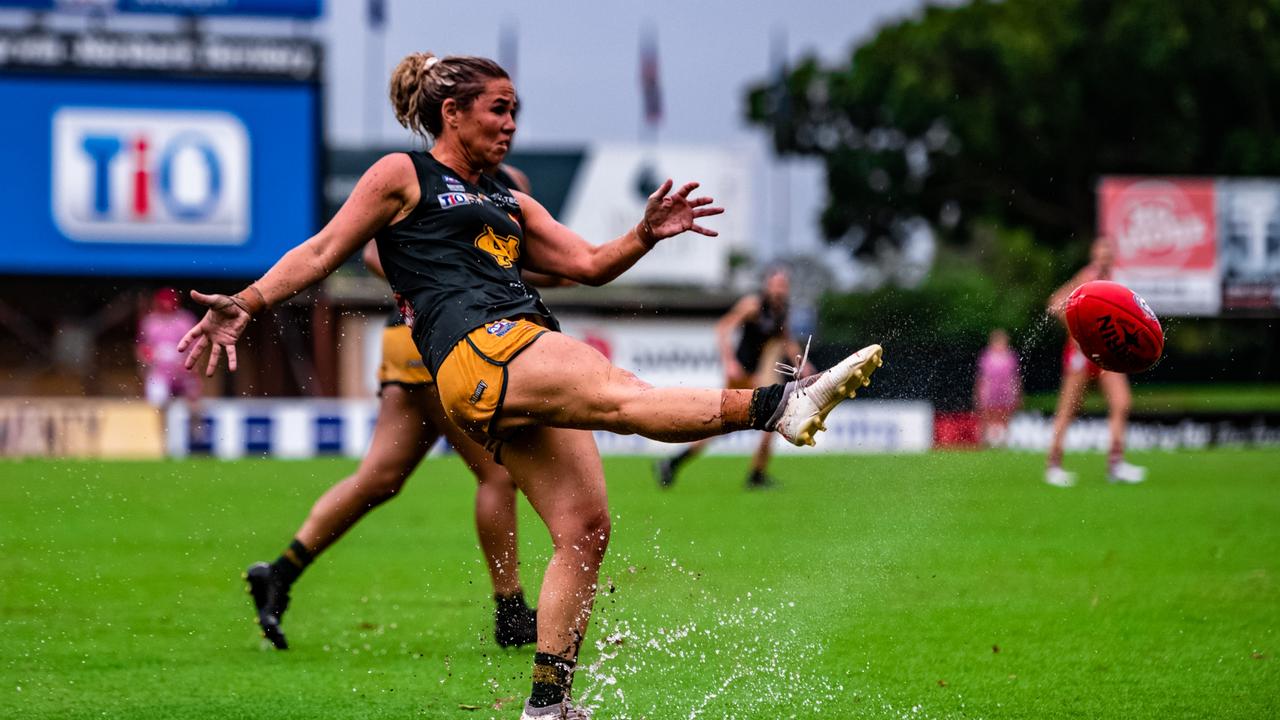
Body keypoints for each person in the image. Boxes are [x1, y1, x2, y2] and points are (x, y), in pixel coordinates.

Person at [178, 53, 882, 719]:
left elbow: (587, 262)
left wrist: (644, 232)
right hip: (479, 350)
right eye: (498, 109)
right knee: (618, 393)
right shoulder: (404, 173)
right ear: (452, 113)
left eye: (516, 111)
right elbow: (325, 249)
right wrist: (250, 301)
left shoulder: (508, 198)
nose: (510, 123)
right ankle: (780, 406)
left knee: (584, 529)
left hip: (511, 348)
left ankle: (547, 701)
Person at [243, 237, 542, 653]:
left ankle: (279, 574)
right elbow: (371, 253)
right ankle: (510, 610)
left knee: (378, 478)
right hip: (444, 340)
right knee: (496, 475)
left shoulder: (467, 184)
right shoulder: (483, 185)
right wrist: (452, 287)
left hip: (407, 339)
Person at [654, 265, 816, 489]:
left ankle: (676, 464)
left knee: (753, 421)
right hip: (741, 373)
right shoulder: (753, 305)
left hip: (755, 375)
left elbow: (786, 339)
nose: (780, 289)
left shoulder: (782, 311)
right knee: (735, 423)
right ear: (767, 286)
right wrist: (729, 361)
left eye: (783, 285)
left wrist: (803, 363)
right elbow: (723, 328)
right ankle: (751, 475)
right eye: (776, 284)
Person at [1045, 235, 1145, 487]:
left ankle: (1115, 464)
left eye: (1108, 253)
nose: (1105, 257)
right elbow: (1055, 304)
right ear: (1093, 255)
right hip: (1081, 355)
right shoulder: (1087, 278)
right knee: (1068, 409)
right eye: (1101, 253)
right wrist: (1075, 331)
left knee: (1122, 403)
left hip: (1106, 356)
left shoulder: (1114, 283)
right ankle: (1054, 465)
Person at [137, 287, 200, 409]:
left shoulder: (185, 320)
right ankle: (160, 425)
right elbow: (141, 348)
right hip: (159, 371)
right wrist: (148, 360)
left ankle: (192, 425)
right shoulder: (150, 322)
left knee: (193, 398)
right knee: (156, 399)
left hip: (183, 370)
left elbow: (197, 347)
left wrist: (189, 365)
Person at [973, 328, 1021, 447]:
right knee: (986, 417)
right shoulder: (986, 356)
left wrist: (1018, 394)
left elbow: (1015, 377)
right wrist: (978, 393)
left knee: (1005, 418)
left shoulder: (1011, 356)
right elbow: (981, 377)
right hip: (990, 392)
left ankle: (1004, 442)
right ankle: (983, 443)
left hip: (1006, 392)